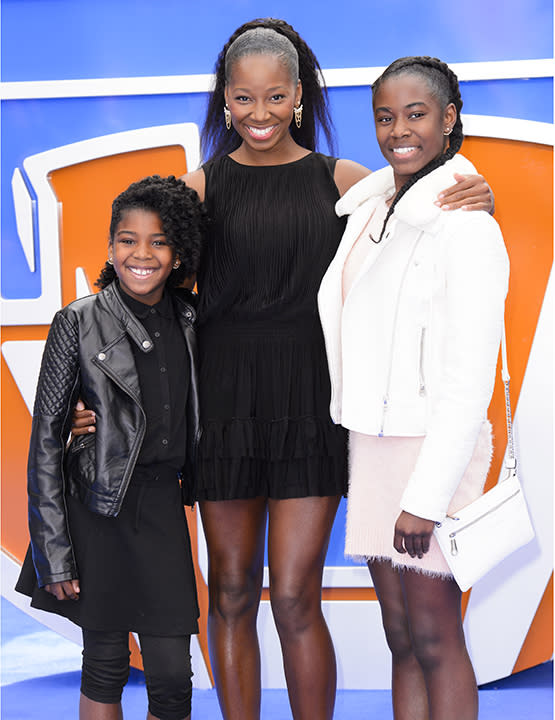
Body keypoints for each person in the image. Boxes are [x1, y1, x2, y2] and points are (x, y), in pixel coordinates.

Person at [71, 20, 495, 720]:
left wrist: (475, 189)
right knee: (230, 590)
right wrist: (90, 398)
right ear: (225, 99)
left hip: (311, 406)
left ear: (297, 95)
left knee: (297, 594)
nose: (259, 114)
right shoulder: (196, 189)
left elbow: (427, 206)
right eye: (243, 99)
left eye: (274, 97)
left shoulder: (347, 184)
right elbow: (129, 287)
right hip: (222, 406)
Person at [318, 56, 510, 720]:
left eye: (416, 113)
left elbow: (467, 382)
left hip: (431, 451)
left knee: (433, 635)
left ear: (450, 117)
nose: (398, 129)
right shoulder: (371, 212)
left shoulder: (467, 227)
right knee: (400, 637)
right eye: (383, 116)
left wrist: (425, 499)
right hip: (372, 448)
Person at [16, 175, 206, 720]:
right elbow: (45, 448)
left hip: (162, 510)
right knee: (104, 662)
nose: (141, 254)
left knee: (173, 676)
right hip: (96, 511)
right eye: (128, 239)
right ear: (109, 246)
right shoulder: (75, 322)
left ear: (178, 254)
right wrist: (55, 554)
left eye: (158, 241)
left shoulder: (192, 320)